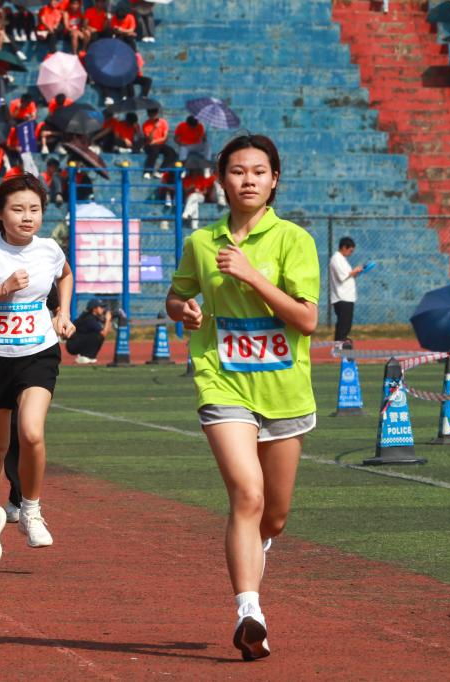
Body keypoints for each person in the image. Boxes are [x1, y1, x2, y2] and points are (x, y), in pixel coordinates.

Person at [165, 133, 319, 661]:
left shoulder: (294, 239)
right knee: (247, 495)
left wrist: (252, 277)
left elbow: (306, 320)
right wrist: (183, 311)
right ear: (221, 180)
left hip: (285, 389)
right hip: (222, 380)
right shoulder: (201, 242)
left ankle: (259, 544)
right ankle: (249, 612)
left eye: (258, 171)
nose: (247, 179)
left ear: (274, 180)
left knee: (272, 516)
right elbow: (176, 296)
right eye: (237, 171)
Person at [0, 173, 75, 568]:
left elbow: (65, 274)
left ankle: (31, 510)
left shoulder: (49, 249)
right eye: (18, 209)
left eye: (34, 210)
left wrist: (63, 313)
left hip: (37, 354)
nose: (27, 217)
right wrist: (0, 290)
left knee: (32, 432)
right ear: (0, 213)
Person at [328, 236, 363, 342]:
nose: (350, 253)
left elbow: (348, 275)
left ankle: (341, 343)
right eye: (350, 250)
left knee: (346, 324)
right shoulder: (336, 259)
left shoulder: (342, 259)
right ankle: (339, 344)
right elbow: (342, 276)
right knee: (343, 324)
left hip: (347, 297)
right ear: (344, 247)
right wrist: (355, 271)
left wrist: (356, 272)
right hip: (341, 297)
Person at [66, 298, 111, 363]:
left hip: (77, 341)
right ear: (94, 309)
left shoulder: (91, 316)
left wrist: (108, 320)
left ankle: (89, 357)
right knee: (98, 336)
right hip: (73, 344)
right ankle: (84, 357)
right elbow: (104, 333)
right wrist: (108, 320)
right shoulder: (89, 319)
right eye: (101, 307)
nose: (103, 309)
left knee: (97, 335)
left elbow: (107, 331)